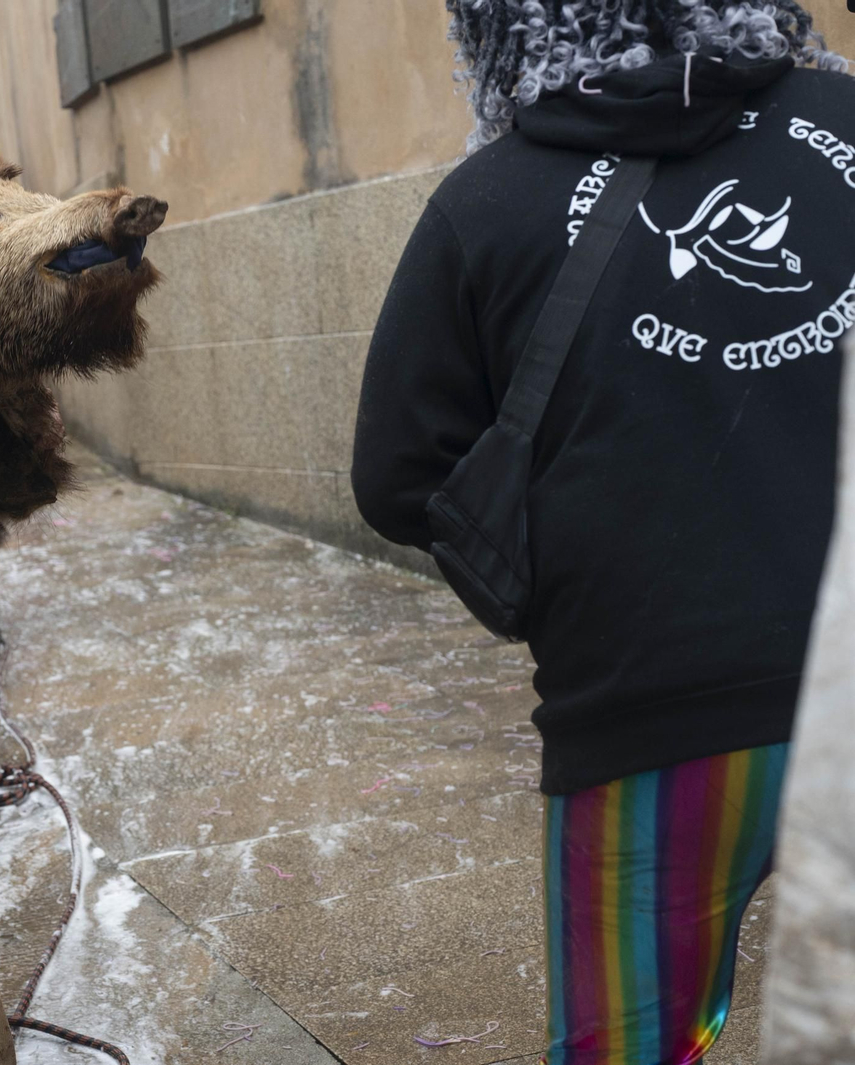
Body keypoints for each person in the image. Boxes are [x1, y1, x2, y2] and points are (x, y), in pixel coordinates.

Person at [350, 3, 852, 1062]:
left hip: (647, 727)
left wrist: (572, 578)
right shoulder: (845, 120)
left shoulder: (484, 203)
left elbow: (397, 476)